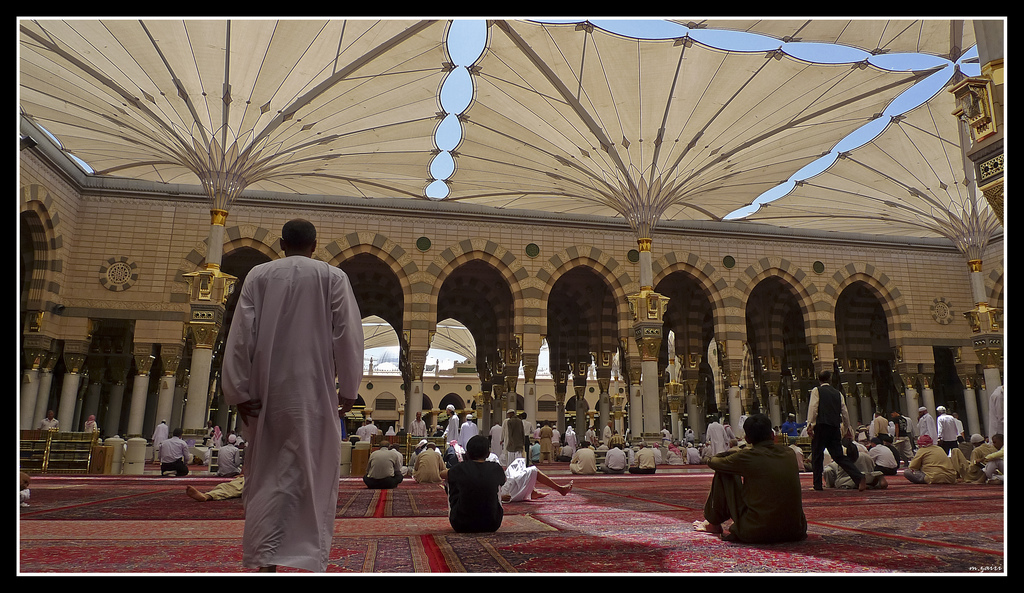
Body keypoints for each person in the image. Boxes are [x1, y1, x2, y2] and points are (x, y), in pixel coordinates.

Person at [221, 218, 364, 573]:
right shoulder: (332, 277)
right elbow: (347, 334)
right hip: (315, 394)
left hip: (267, 394)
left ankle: (262, 560)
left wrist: (237, 390)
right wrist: (348, 388)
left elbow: (241, 335)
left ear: (282, 244)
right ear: (315, 246)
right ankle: (310, 561)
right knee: (313, 474)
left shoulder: (259, 275)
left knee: (267, 475)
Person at [693, 413, 808, 543]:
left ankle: (712, 523)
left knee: (723, 470)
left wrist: (735, 452)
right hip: (796, 530)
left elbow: (713, 462)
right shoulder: (789, 453)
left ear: (747, 439)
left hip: (756, 530)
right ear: (772, 435)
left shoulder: (748, 456)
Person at [807, 370, 866, 491]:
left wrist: (810, 425)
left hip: (821, 426)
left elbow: (813, 408)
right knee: (838, 456)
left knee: (817, 456)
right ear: (830, 380)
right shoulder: (838, 393)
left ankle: (817, 485)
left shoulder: (816, 390)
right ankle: (859, 477)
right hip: (834, 427)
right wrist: (848, 427)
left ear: (819, 380)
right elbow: (844, 412)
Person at [441, 434, 507, 533]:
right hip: (492, 523)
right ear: (488, 454)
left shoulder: (460, 468)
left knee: (449, 480)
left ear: (467, 454)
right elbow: (503, 480)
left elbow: (442, 474)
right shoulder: (496, 468)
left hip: (461, 524)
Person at [499, 455, 573, 502]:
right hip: (503, 491)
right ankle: (560, 489)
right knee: (533, 471)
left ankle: (532, 492)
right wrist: (500, 497)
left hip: (503, 485)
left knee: (518, 462)